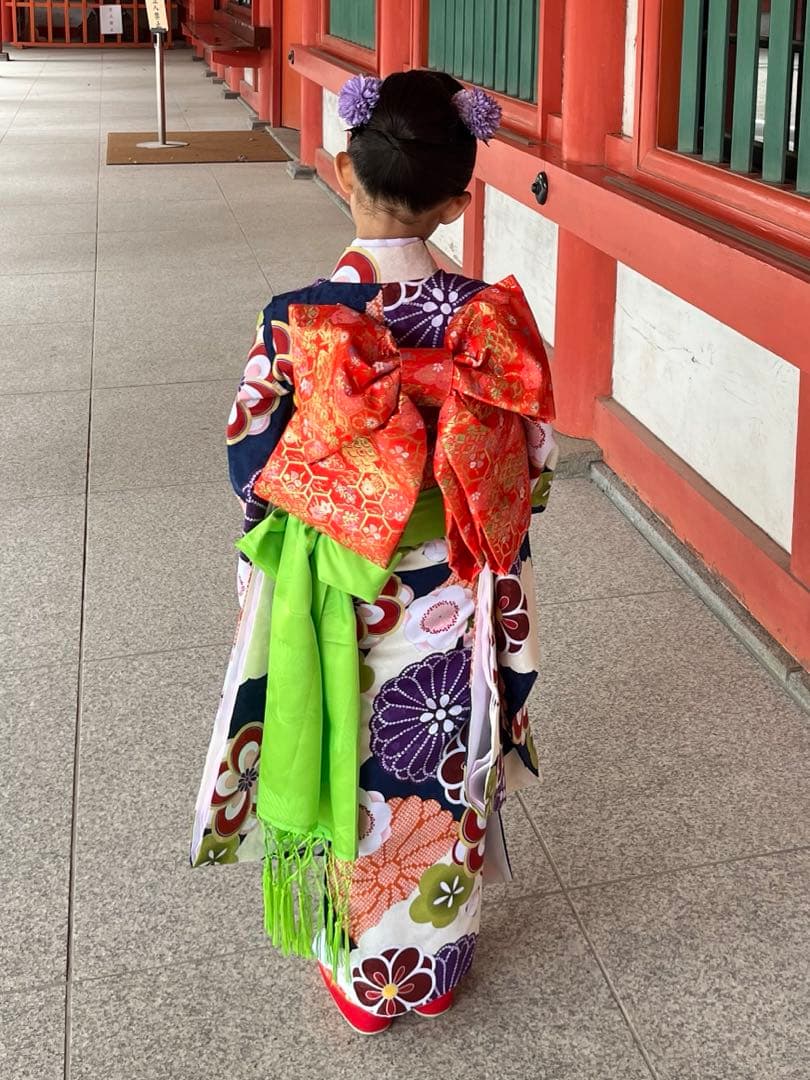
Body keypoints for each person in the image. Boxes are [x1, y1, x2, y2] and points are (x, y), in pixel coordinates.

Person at [191, 68, 557, 1034]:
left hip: (336, 594)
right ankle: (434, 965)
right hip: (454, 591)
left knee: (349, 762)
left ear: (345, 169)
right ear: (457, 202)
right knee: (444, 755)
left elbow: (252, 464)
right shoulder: (487, 318)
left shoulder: (296, 316)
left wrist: (340, 499)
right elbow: (532, 463)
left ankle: (364, 979)